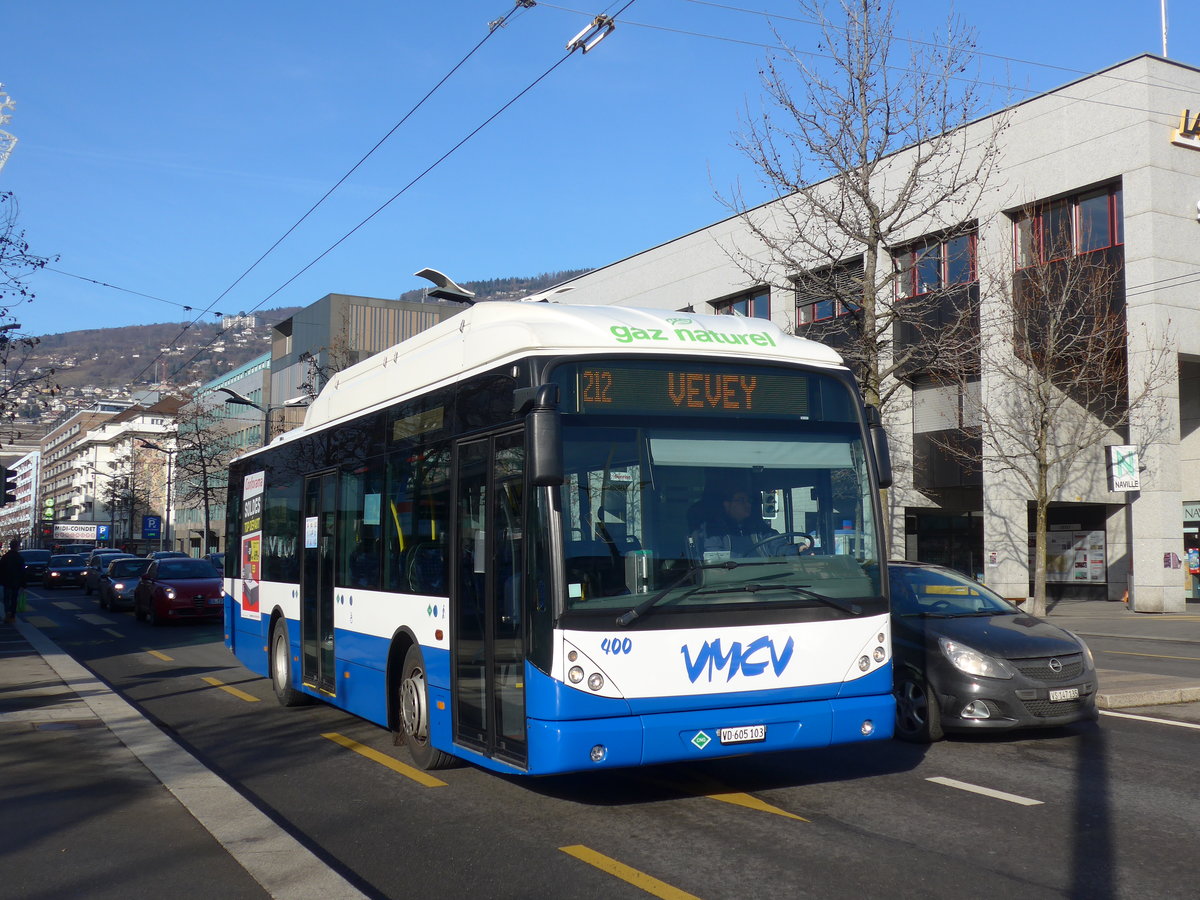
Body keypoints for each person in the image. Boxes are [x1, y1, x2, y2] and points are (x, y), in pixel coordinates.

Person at [1, 539, 23, 624]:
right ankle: (12, 616)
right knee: (14, 599)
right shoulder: (19, 558)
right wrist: (23, 584)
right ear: (17, 547)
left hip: (6, 582)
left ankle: (7, 613)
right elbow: (22, 572)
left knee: (6, 599)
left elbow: (1, 569)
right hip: (16, 582)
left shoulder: (5, 557)